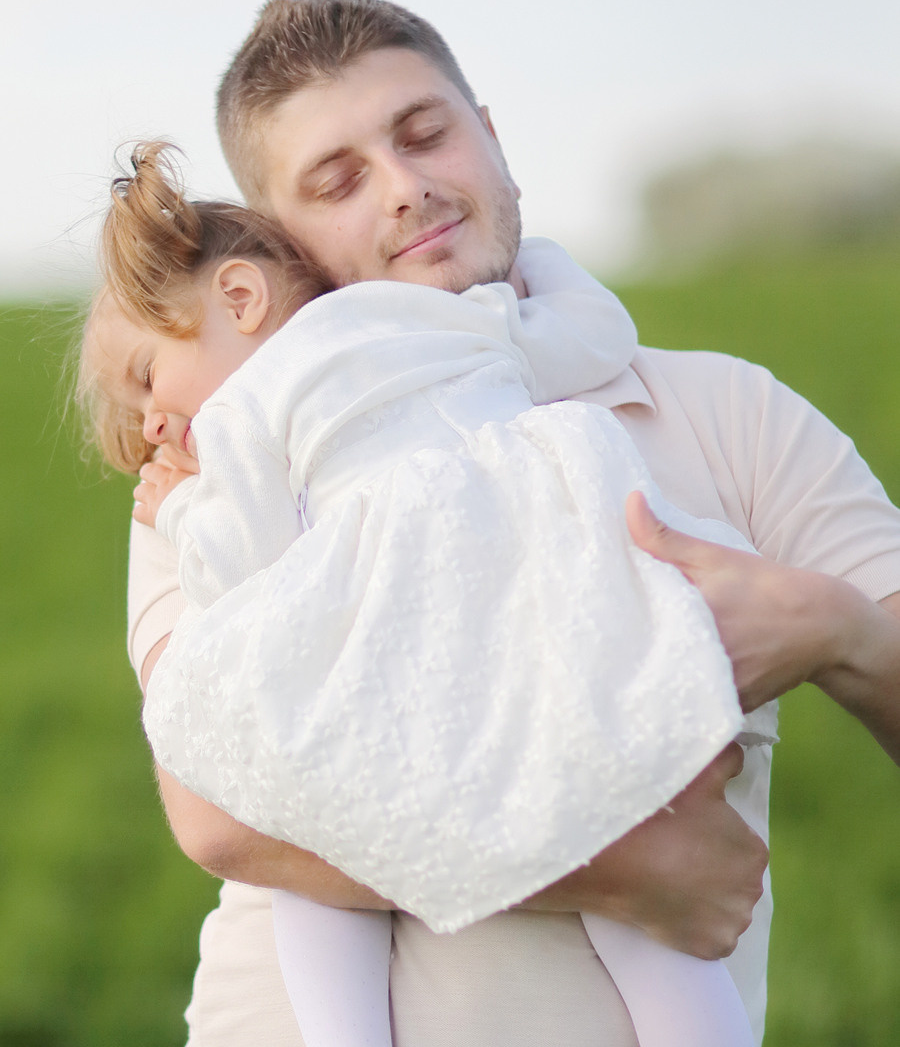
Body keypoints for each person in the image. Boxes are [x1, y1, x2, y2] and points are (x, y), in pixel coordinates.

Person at [125, 0, 900, 1047]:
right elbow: (217, 810)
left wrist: (834, 630)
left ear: (491, 136)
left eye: (425, 132)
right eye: (338, 180)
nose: (406, 188)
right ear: (279, 244)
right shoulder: (228, 461)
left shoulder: (727, 413)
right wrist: (624, 866)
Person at [82, 141, 768, 1047]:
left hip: (411, 657)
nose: (154, 425)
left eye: (146, 383)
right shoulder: (425, 318)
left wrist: (179, 514)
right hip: (539, 618)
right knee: (632, 873)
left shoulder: (245, 423)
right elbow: (591, 335)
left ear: (241, 300)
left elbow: (241, 582)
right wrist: (541, 264)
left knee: (314, 855)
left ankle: (349, 1036)